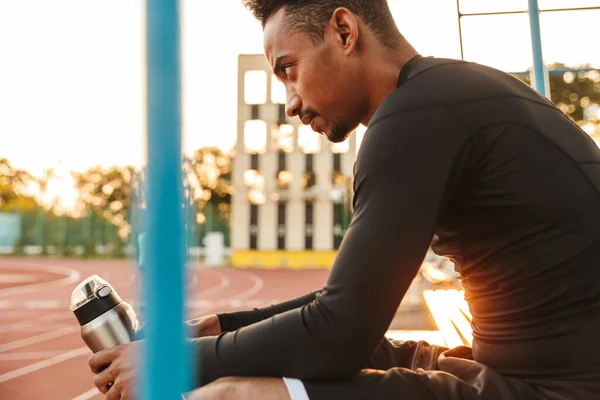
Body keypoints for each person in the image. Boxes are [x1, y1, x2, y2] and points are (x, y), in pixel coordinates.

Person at [88, 1, 600, 399]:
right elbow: (348, 308)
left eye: (289, 69)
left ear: (343, 31)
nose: (289, 103)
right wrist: (221, 328)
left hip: (552, 390)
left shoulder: (412, 117)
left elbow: (337, 336)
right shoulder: (450, 92)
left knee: (232, 393)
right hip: (527, 370)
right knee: (268, 359)